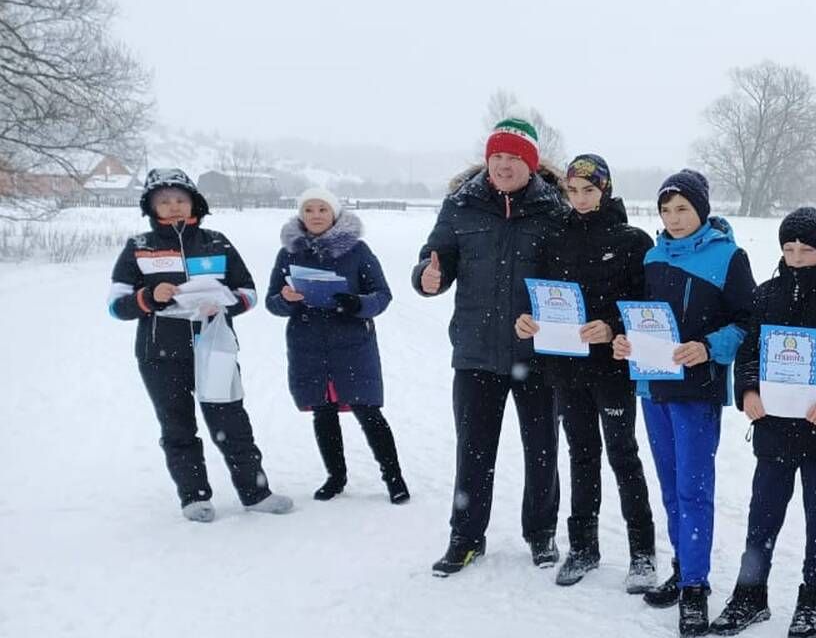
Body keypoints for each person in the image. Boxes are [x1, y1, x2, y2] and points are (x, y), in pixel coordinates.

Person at [414, 117, 566, 576]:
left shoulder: (554, 210)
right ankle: (465, 537)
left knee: (542, 448)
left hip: (537, 355)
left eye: (513, 158)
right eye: (496, 156)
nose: (503, 165)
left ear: (531, 165)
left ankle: (541, 534)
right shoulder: (461, 206)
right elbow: (434, 256)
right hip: (476, 351)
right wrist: (426, 277)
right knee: (473, 448)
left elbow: (568, 278)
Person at [715, 207, 816, 638]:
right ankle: (750, 593)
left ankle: (812, 599)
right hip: (774, 427)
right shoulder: (767, 294)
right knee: (761, 516)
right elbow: (749, 351)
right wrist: (748, 392)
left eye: (807, 248)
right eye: (789, 248)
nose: (798, 256)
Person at [613, 169, 756, 638]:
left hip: (697, 391)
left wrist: (709, 347)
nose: (674, 219)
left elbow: (746, 323)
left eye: (683, 209)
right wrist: (626, 343)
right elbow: (643, 318)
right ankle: (681, 567)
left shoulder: (728, 257)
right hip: (654, 388)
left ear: (702, 210)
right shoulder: (653, 257)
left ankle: (696, 587)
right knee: (671, 487)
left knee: (694, 489)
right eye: (666, 210)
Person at [107, 168, 293, 520]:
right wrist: (148, 296)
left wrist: (225, 303)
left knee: (232, 422)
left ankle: (256, 493)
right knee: (177, 426)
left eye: (180, 199)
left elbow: (249, 292)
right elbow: (116, 305)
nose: (174, 206)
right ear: (151, 207)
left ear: (194, 202)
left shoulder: (217, 241)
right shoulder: (139, 248)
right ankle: (194, 497)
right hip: (160, 353)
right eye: (164, 201)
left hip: (215, 347)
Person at [514, 153, 657, 591]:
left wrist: (612, 325)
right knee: (581, 455)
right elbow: (537, 295)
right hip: (565, 366)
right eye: (572, 190)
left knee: (622, 456)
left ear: (606, 190)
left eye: (589, 190)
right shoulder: (553, 236)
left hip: (611, 369)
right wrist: (527, 320)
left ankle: (643, 554)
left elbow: (645, 306)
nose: (579, 199)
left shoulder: (633, 241)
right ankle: (583, 547)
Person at [266, 188, 408, 505]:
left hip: (353, 345)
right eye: (309, 210)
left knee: (368, 412)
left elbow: (382, 295)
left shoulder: (357, 251)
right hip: (308, 346)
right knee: (323, 413)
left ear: (335, 214)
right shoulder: (288, 253)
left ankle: (394, 478)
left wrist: (357, 303)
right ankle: (336, 477)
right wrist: (286, 300)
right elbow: (272, 303)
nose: (315, 215)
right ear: (300, 215)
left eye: (322, 209)